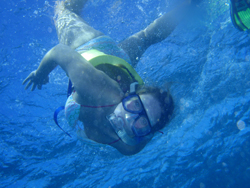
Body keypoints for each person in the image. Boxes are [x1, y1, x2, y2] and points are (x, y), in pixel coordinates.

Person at [23, 0, 197, 155]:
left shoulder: (131, 147)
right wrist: (40, 74)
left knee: (146, 37)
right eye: (135, 104)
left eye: (143, 122)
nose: (130, 117)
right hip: (88, 45)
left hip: (122, 62)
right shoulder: (95, 88)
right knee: (64, 13)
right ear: (129, 95)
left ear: (147, 133)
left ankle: (190, 5)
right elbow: (59, 51)